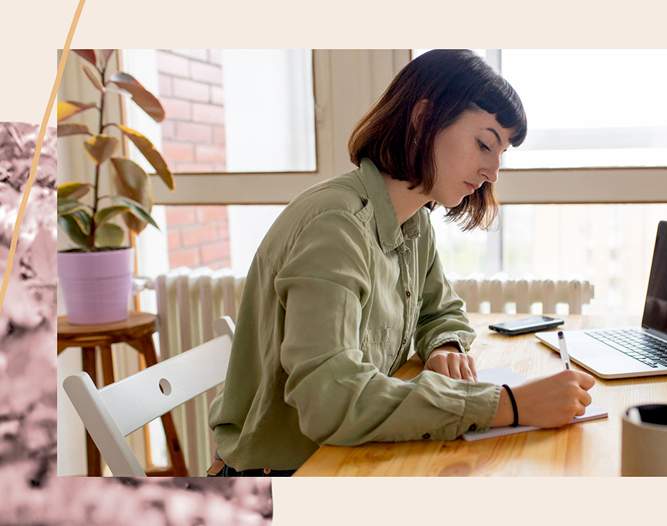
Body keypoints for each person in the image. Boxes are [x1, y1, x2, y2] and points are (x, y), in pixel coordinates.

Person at [208, 49, 595, 477]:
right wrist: (508, 404)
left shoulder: (413, 221)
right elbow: (329, 400)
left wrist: (444, 345)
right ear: (422, 119)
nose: (493, 171)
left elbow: (441, 309)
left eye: (500, 152)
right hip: (287, 476)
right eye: (484, 143)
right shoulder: (336, 229)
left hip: (345, 456)